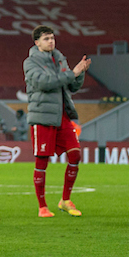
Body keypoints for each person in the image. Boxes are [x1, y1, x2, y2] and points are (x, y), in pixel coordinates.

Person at [24, 25, 90, 218]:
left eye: (52, 38)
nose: (51, 41)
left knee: (75, 155)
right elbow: (45, 83)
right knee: (42, 161)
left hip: (62, 115)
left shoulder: (59, 58)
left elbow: (71, 85)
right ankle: (42, 206)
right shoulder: (30, 62)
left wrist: (80, 72)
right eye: (46, 39)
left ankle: (65, 200)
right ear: (37, 42)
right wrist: (72, 73)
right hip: (42, 115)